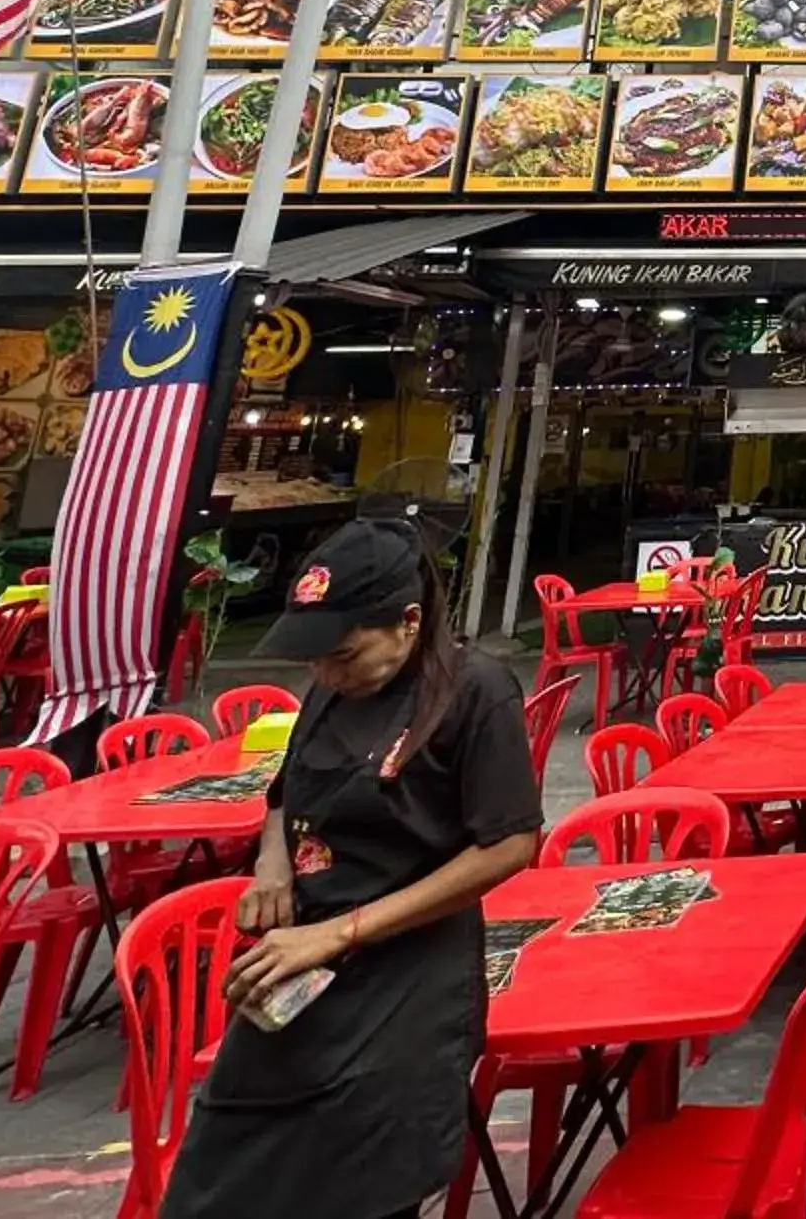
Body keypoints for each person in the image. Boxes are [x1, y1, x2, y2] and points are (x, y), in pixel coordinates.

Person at [162, 522, 544, 1219]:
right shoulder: (331, 690)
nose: (327, 675)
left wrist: (343, 931)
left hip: (409, 970)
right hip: (301, 963)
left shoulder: (475, 692)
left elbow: (510, 843)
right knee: (227, 1164)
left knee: (363, 1182)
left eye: (342, 656)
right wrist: (271, 869)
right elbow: (283, 794)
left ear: (408, 622)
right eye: (315, 661)